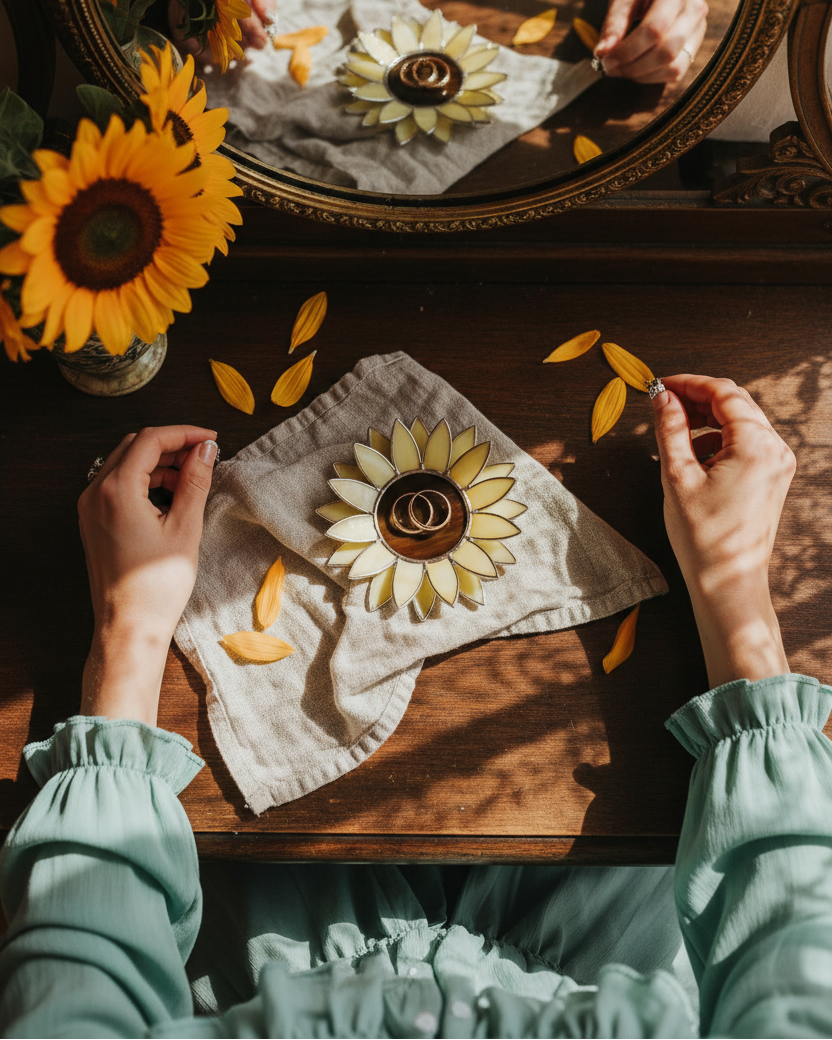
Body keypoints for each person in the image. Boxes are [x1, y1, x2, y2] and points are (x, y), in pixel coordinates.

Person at [1, 373, 830, 1039]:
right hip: (600, 956)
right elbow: (791, 928)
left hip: (268, 958)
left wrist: (131, 624)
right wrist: (732, 586)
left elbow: (82, 949)